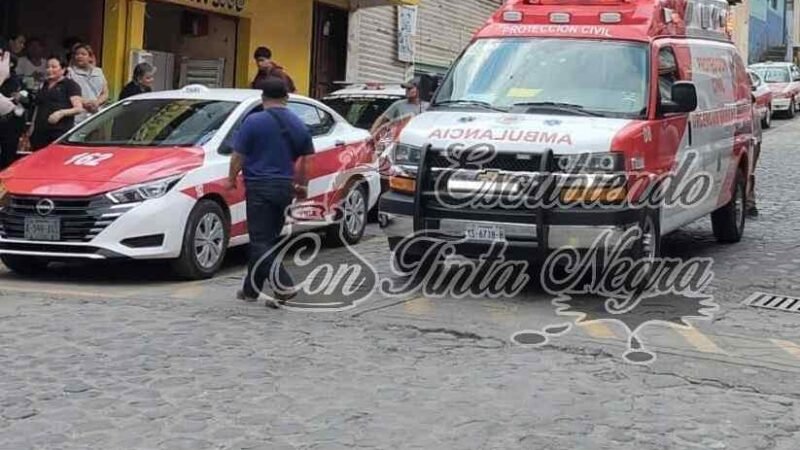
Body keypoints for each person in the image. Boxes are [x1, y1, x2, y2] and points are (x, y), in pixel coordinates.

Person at [226, 77, 313, 307]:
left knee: (260, 241)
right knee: (268, 240)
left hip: (259, 186)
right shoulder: (298, 123)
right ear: (286, 98)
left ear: (263, 98)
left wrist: (231, 178)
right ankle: (250, 290)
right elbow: (306, 159)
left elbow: (238, 155)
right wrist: (303, 185)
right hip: (285, 188)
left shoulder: (253, 121)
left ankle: (283, 285)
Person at [28, 56, 83, 150]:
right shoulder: (44, 84)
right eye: (48, 67)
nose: (49, 70)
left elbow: (78, 108)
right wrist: (32, 127)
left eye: (54, 67)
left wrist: (61, 113)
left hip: (58, 132)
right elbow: (38, 106)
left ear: (63, 69)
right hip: (39, 132)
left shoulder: (70, 85)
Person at [67, 44, 108, 123]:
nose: (79, 56)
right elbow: (68, 93)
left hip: (96, 113)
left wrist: (97, 103)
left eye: (83, 54)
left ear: (90, 57)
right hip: (78, 116)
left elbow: (105, 93)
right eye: (77, 54)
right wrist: (86, 103)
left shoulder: (98, 71)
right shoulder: (70, 72)